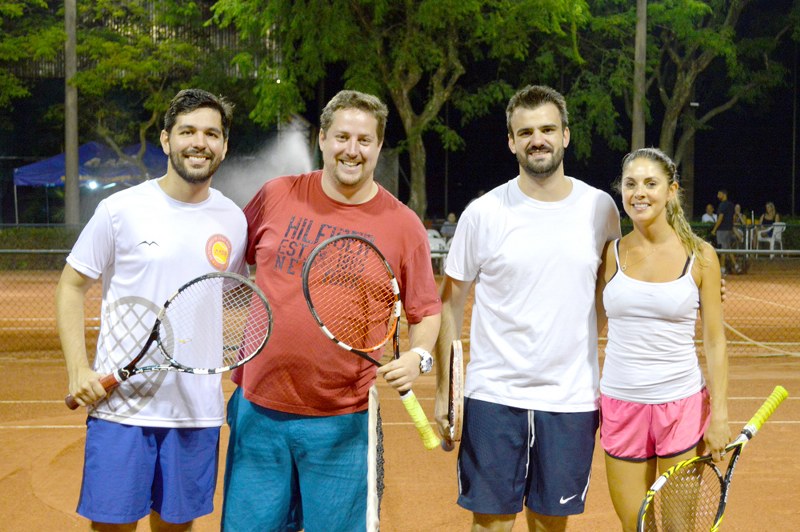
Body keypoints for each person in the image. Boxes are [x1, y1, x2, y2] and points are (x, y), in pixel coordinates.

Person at [222, 90, 442, 531]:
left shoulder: (403, 226)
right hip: (257, 410)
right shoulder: (276, 194)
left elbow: (426, 310)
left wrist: (419, 357)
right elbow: (226, 261)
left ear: (379, 145)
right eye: (342, 137)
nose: (352, 150)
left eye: (364, 140)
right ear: (322, 139)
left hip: (342, 421)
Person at [56, 89, 246, 531]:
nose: (199, 142)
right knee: (111, 527)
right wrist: (78, 369)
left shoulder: (234, 220)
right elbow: (70, 285)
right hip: (121, 409)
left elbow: (222, 297)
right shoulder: (120, 210)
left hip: (195, 411)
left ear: (224, 146)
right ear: (166, 140)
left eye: (211, 134)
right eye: (187, 131)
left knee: (176, 528)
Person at [433, 85, 620, 531]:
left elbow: (613, 293)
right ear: (511, 142)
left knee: (550, 524)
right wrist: (444, 390)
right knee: (491, 523)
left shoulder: (600, 208)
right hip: (494, 395)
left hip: (571, 397)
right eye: (526, 132)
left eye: (548, 129)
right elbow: (449, 305)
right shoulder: (483, 213)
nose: (538, 139)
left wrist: (694, 284)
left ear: (566, 135)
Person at [596, 148, 731, 532]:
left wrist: (719, 415)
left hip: (681, 405)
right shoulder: (610, 254)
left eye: (650, 183)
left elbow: (715, 341)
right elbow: (587, 324)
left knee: (677, 528)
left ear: (671, 191)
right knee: (635, 526)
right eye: (630, 184)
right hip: (621, 405)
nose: (639, 192)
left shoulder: (701, 256)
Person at [711, 189, 740, 274]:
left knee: (723, 249)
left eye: (719, 194)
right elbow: (733, 218)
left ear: (724, 194)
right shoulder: (731, 205)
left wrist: (714, 229)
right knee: (727, 248)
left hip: (722, 230)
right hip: (729, 229)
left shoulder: (722, 205)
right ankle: (736, 266)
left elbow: (720, 218)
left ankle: (722, 269)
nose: (717, 196)